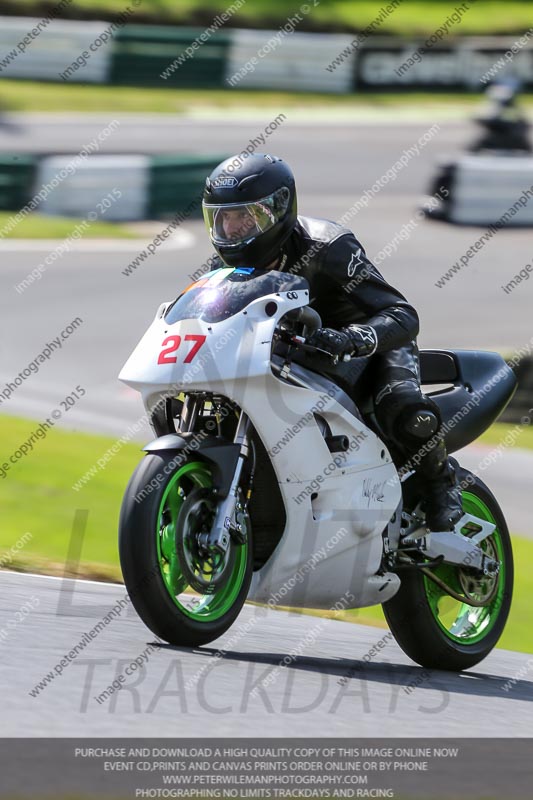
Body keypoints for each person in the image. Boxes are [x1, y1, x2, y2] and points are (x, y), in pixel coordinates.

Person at [201, 153, 462, 532]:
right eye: (222, 218)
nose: (232, 229)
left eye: (244, 217)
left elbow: (402, 314)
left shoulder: (328, 246)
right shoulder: (222, 269)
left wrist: (351, 339)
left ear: (278, 209)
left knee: (403, 409)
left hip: (368, 347)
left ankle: (443, 483)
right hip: (293, 353)